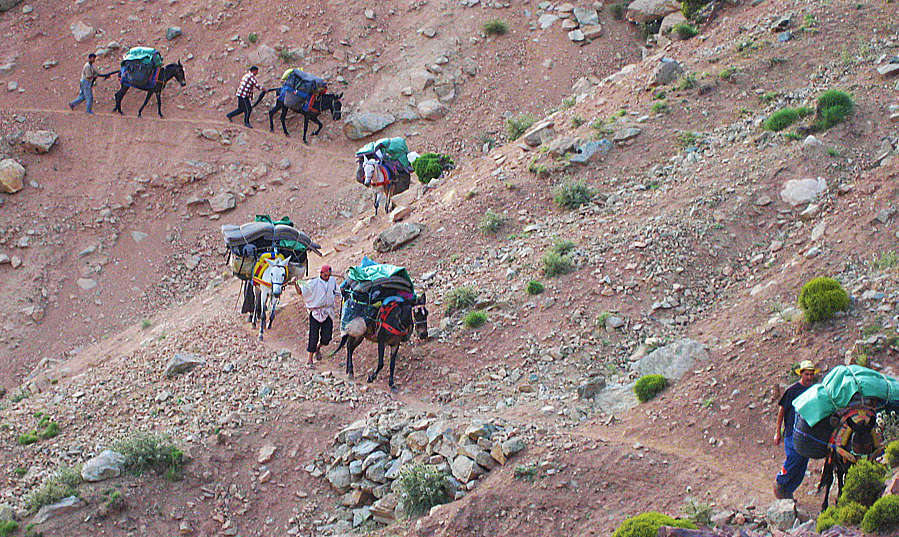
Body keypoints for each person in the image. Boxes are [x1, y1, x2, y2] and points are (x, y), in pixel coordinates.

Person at [773, 359, 820, 500]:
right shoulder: (792, 390)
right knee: (794, 458)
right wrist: (778, 432)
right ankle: (780, 483)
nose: (809, 377)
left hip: (807, 434)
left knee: (802, 465)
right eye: (807, 374)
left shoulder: (814, 391)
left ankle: (788, 492)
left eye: (812, 374)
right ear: (801, 374)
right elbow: (781, 411)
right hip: (791, 433)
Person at [294, 265, 340, 367]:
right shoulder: (313, 283)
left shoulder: (332, 281)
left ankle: (318, 348)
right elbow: (300, 292)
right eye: (325, 275)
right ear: (321, 274)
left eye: (328, 275)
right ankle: (310, 359)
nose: (327, 277)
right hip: (315, 312)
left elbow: (338, 291)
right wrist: (295, 284)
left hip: (327, 312)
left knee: (327, 338)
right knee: (313, 336)